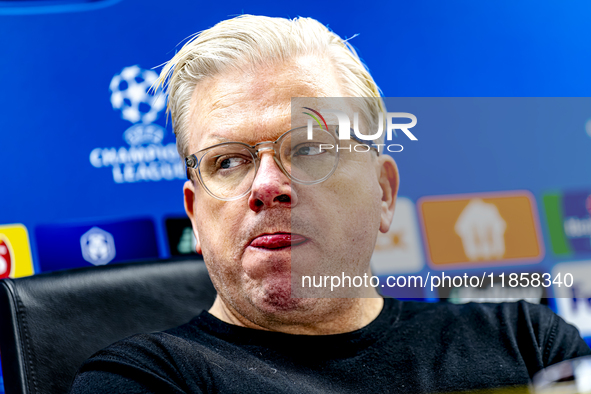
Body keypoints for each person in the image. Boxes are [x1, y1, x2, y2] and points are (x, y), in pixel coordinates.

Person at [70, 15, 590, 393]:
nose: (267, 186)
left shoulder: (530, 345)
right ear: (195, 216)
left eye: (310, 150)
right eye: (227, 161)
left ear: (382, 193)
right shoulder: (143, 381)